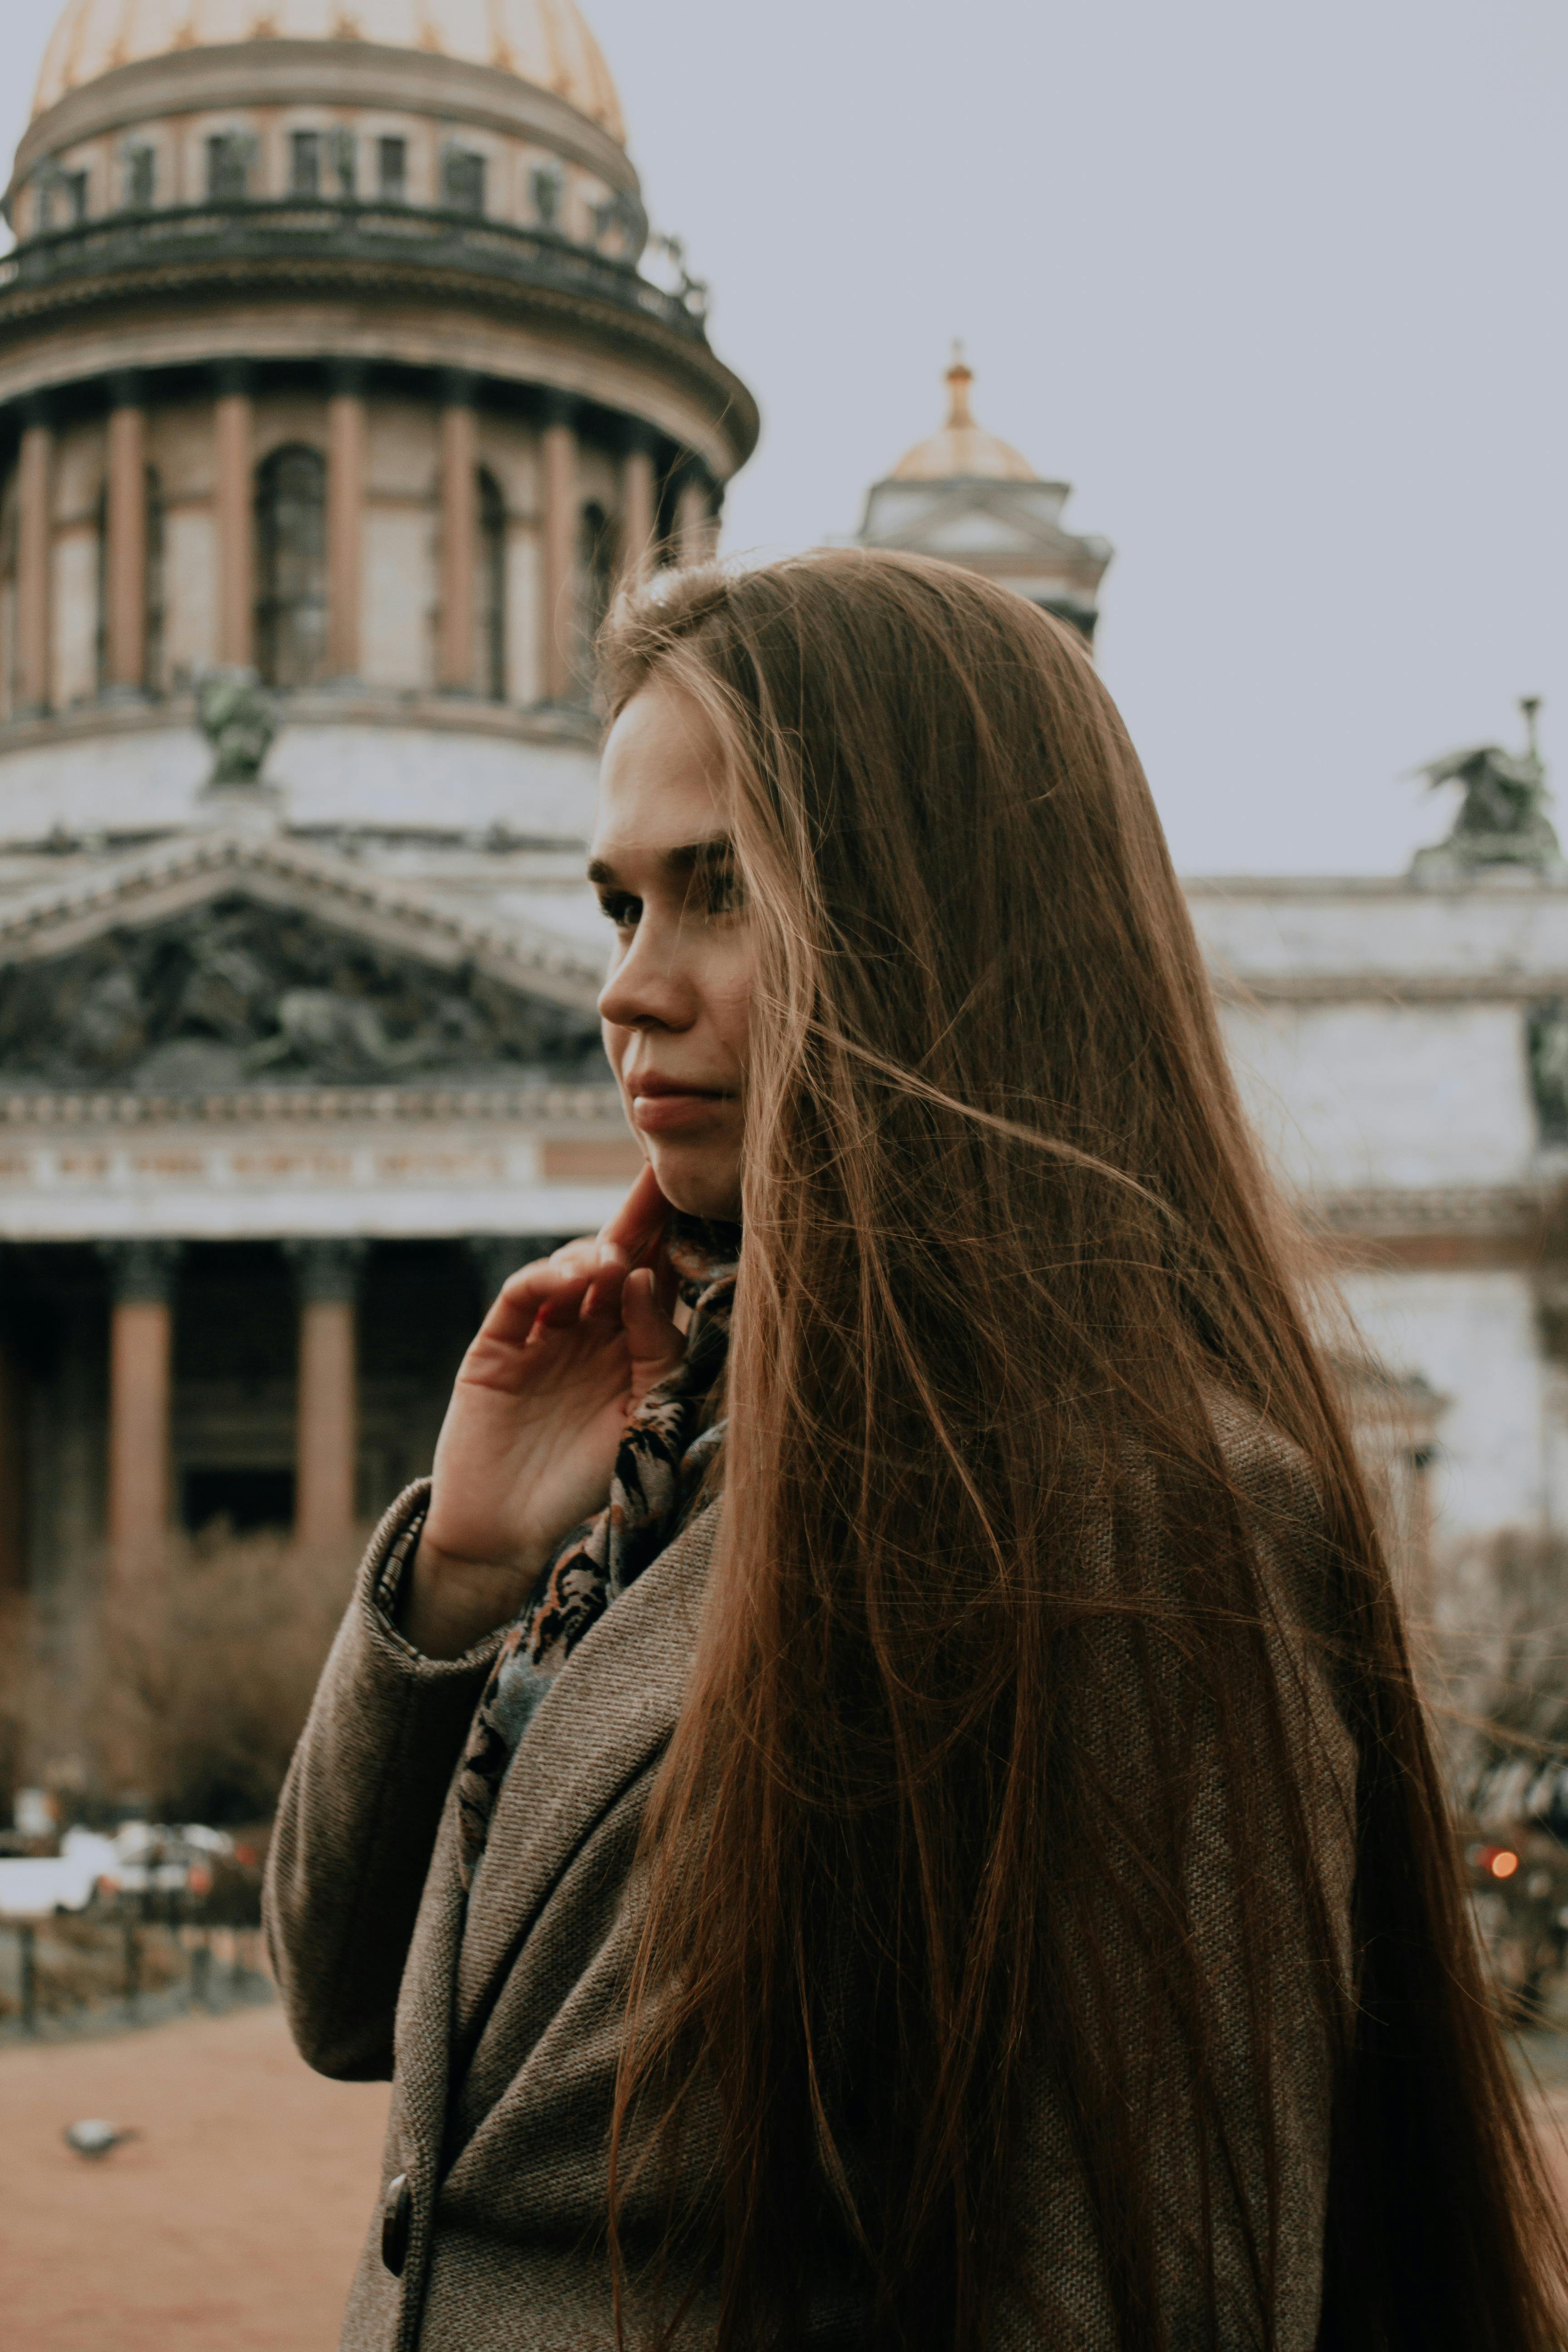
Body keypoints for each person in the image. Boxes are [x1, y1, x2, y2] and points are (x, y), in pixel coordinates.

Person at [266, 551, 1568, 2351]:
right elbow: (352, 2020)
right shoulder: (673, 1445)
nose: (627, 995)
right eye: (617, 908)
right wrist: (463, 1582)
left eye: (717, 892)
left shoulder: (1138, 1527)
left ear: (942, 920)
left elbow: (1133, 2288)